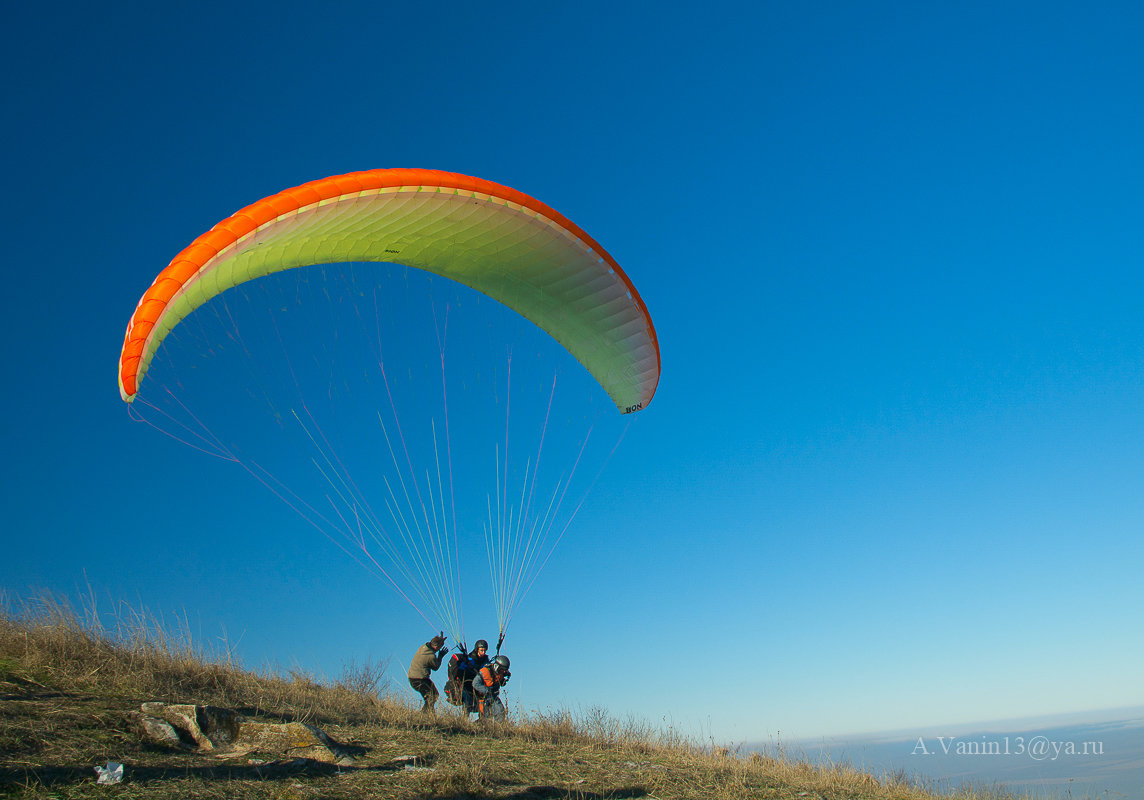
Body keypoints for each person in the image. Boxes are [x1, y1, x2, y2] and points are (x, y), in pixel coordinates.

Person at [407, 634, 448, 713]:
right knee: (432, 696)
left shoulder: (424, 647)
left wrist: (439, 640)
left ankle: (428, 715)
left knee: (432, 695)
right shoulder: (430, 656)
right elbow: (435, 667)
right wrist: (440, 656)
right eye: (440, 647)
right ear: (436, 647)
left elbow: (434, 643)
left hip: (413, 678)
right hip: (419, 680)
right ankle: (424, 715)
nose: (439, 649)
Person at [456, 639, 490, 713]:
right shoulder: (470, 659)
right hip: (467, 683)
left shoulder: (486, 660)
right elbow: (460, 670)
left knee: (483, 701)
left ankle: (482, 720)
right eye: (481, 650)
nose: (483, 653)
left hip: (477, 684)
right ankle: (464, 718)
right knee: (468, 701)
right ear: (477, 649)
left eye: (485, 651)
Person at [472, 654, 510, 720]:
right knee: (485, 719)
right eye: (502, 670)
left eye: (505, 670)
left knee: (501, 713)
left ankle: (498, 729)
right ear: (497, 666)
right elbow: (475, 683)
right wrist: (486, 690)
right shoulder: (485, 671)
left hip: (494, 697)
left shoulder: (500, 674)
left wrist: (505, 679)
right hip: (484, 699)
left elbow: (501, 683)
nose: (503, 672)